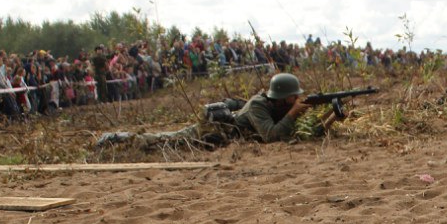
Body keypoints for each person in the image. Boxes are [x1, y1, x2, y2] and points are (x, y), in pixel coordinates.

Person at [96, 72, 345, 150]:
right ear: (282, 98)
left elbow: (302, 131)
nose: (296, 100)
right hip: (211, 132)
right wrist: (293, 113)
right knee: (164, 140)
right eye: (293, 97)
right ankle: (116, 139)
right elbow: (271, 136)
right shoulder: (259, 105)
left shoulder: (277, 105)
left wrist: (332, 114)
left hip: (223, 136)